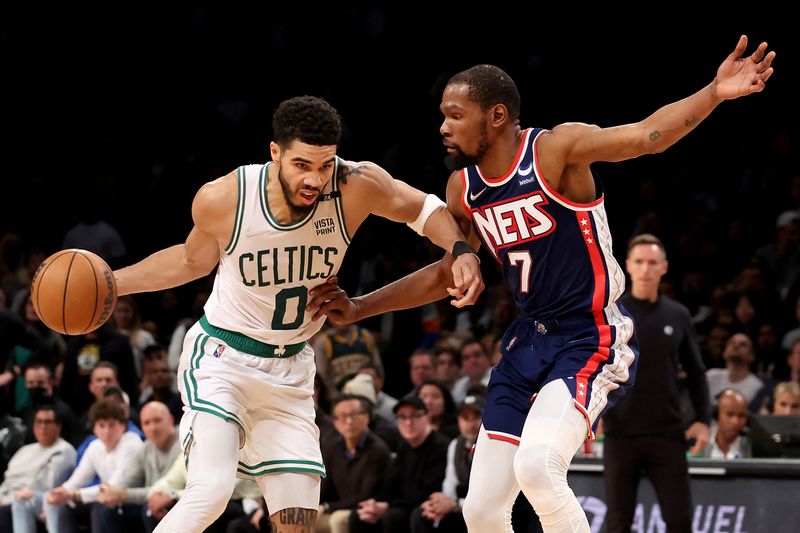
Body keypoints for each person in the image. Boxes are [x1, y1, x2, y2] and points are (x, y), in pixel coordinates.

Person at [309, 36, 776, 532]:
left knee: (537, 466)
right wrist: (359, 307)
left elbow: (646, 135)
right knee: (481, 510)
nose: (443, 126)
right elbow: (449, 272)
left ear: (495, 116)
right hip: (528, 340)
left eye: (455, 114)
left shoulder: (555, 151)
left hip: (591, 335)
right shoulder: (462, 190)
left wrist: (714, 92)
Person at [110, 95, 483, 533]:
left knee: (298, 524)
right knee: (209, 492)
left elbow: (426, 209)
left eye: (324, 165)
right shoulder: (226, 197)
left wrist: (458, 250)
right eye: (302, 164)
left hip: (290, 370)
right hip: (223, 360)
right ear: (275, 152)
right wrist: (115, 283)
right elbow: (190, 263)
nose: (315, 178)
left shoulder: (353, 183)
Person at [602, 234, 711, 533]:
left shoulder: (677, 315)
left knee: (679, 520)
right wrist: (592, 412)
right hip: (620, 435)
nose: (645, 269)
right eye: (639, 262)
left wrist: (703, 419)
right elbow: (595, 368)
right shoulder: (613, 314)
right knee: (617, 522)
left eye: (652, 262)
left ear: (664, 267)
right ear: (627, 266)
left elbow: (697, 372)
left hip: (667, 434)